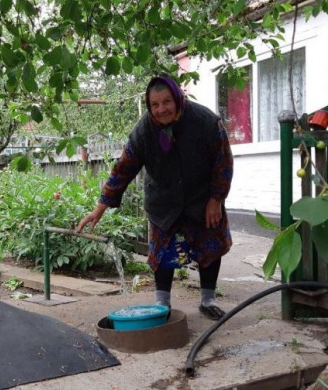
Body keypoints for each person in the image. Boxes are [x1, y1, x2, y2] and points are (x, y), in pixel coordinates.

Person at [75, 75, 234, 320]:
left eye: (167, 102)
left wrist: (216, 199)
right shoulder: (143, 131)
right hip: (164, 202)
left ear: (178, 98)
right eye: (155, 105)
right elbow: (123, 169)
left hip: (202, 198)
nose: (161, 109)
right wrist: (99, 208)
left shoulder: (205, 121)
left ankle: (208, 300)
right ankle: (162, 306)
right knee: (163, 255)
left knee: (209, 247)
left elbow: (223, 162)